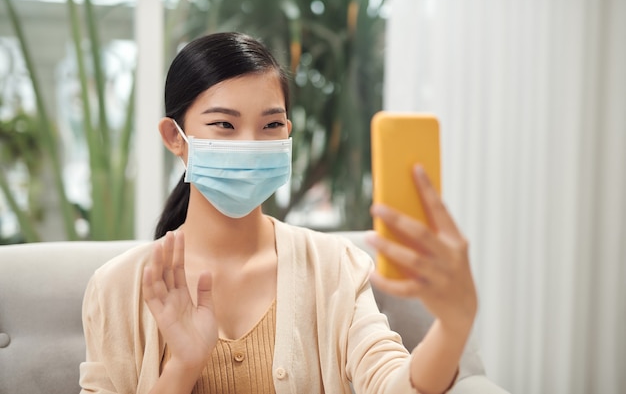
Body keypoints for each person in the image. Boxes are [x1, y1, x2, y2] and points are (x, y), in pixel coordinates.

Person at [79, 32, 477, 394]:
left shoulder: (334, 267)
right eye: (224, 124)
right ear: (174, 137)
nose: (251, 144)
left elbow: (392, 383)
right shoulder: (116, 289)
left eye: (271, 125)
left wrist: (454, 326)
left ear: (287, 133)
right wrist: (181, 367)